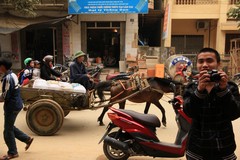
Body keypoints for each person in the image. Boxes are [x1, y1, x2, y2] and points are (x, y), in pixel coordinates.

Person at [183, 48, 240, 160]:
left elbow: (234, 114)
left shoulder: (230, 87)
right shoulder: (191, 87)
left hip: (224, 150)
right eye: (201, 61)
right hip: (196, 150)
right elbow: (189, 112)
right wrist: (199, 90)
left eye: (209, 61)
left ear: (218, 64)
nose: (204, 65)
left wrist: (223, 90)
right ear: (197, 65)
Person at [0, 58, 34, 160]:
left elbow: (5, 96)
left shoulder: (8, 78)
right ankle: (27, 139)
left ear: (2, 67)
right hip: (17, 104)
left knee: (7, 131)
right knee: (10, 127)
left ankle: (13, 152)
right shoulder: (13, 74)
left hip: (12, 106)